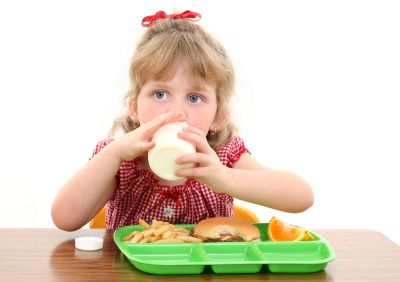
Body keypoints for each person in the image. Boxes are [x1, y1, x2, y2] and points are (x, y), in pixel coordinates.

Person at [51, 10, 314, 231]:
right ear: (134, 108)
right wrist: (114, 153)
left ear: (218, 116)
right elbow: (65, 219)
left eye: (195, 98)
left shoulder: (223, 156)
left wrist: (224, 177)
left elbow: (301, 196)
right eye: (160, 94)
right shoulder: (121, 161)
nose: (176, 111)